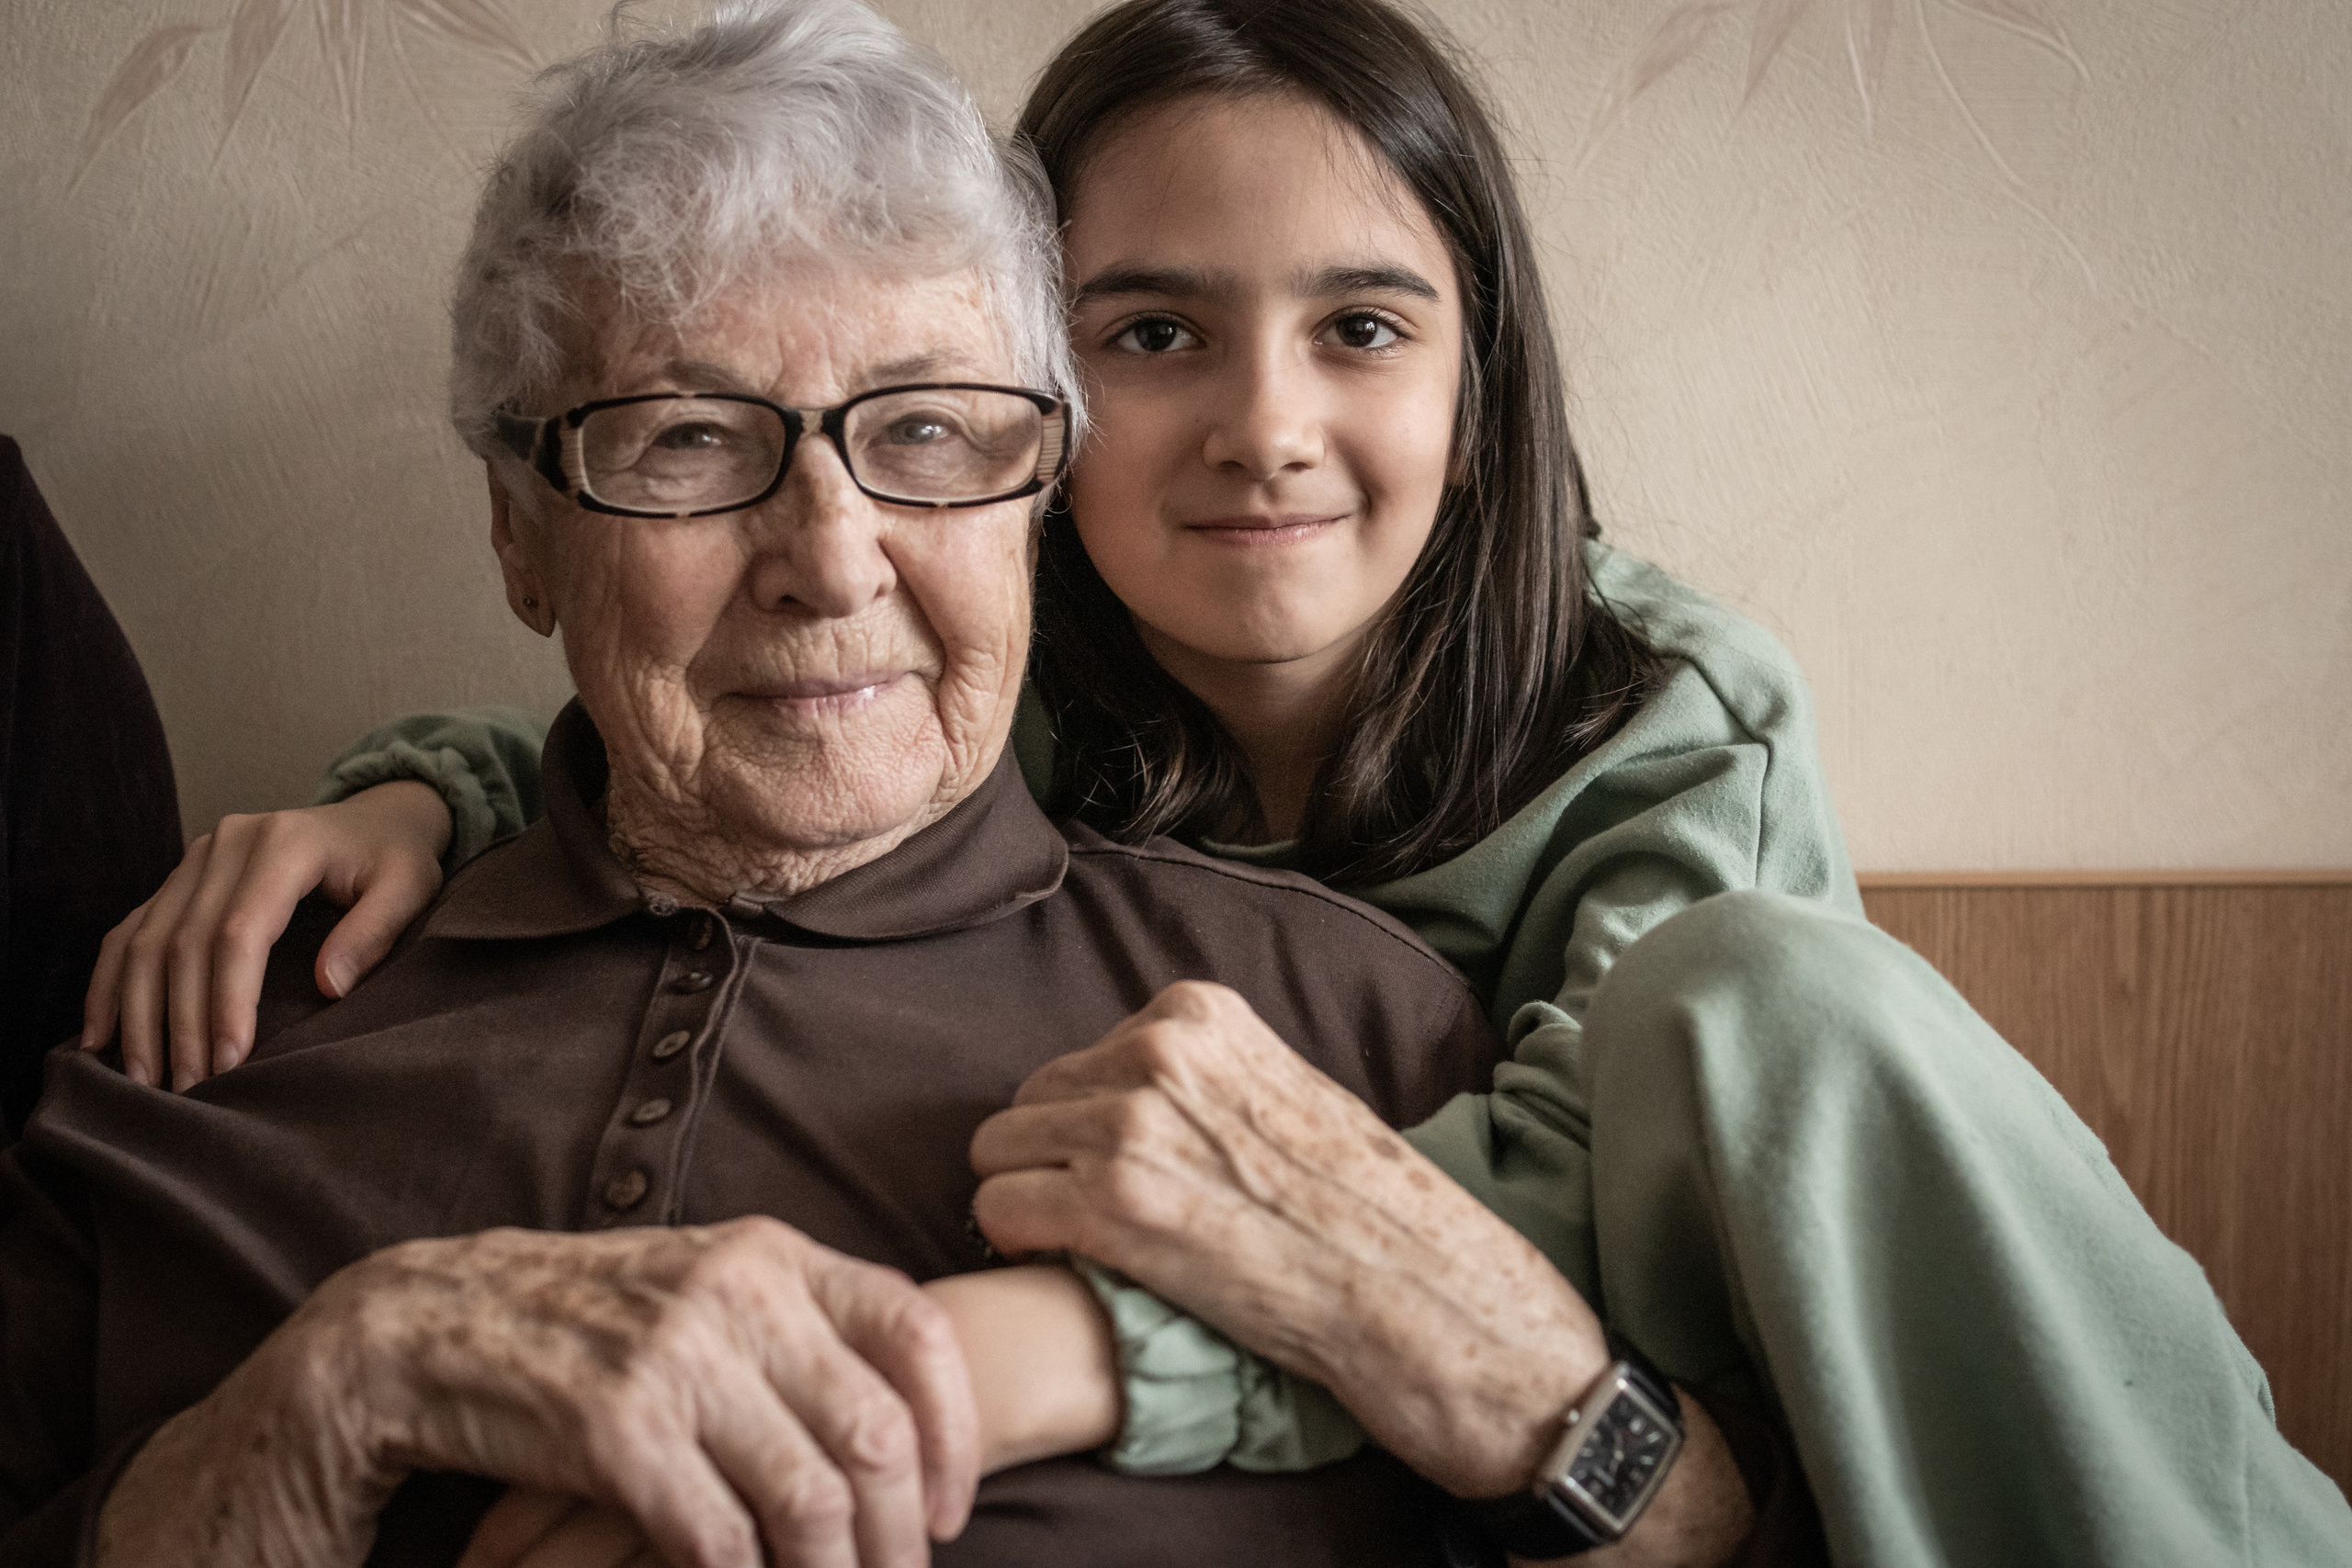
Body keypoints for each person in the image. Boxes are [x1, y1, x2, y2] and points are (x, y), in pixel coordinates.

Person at [77, 0, 2352, 1563]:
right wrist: (405, 797)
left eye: (1360, 323)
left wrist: (989, 1354)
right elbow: (703, 732)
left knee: (1766, 1005)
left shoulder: (1632, 778)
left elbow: (1521, 1281)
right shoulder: (237, 1021)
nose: (833, 558)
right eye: (686, 442)